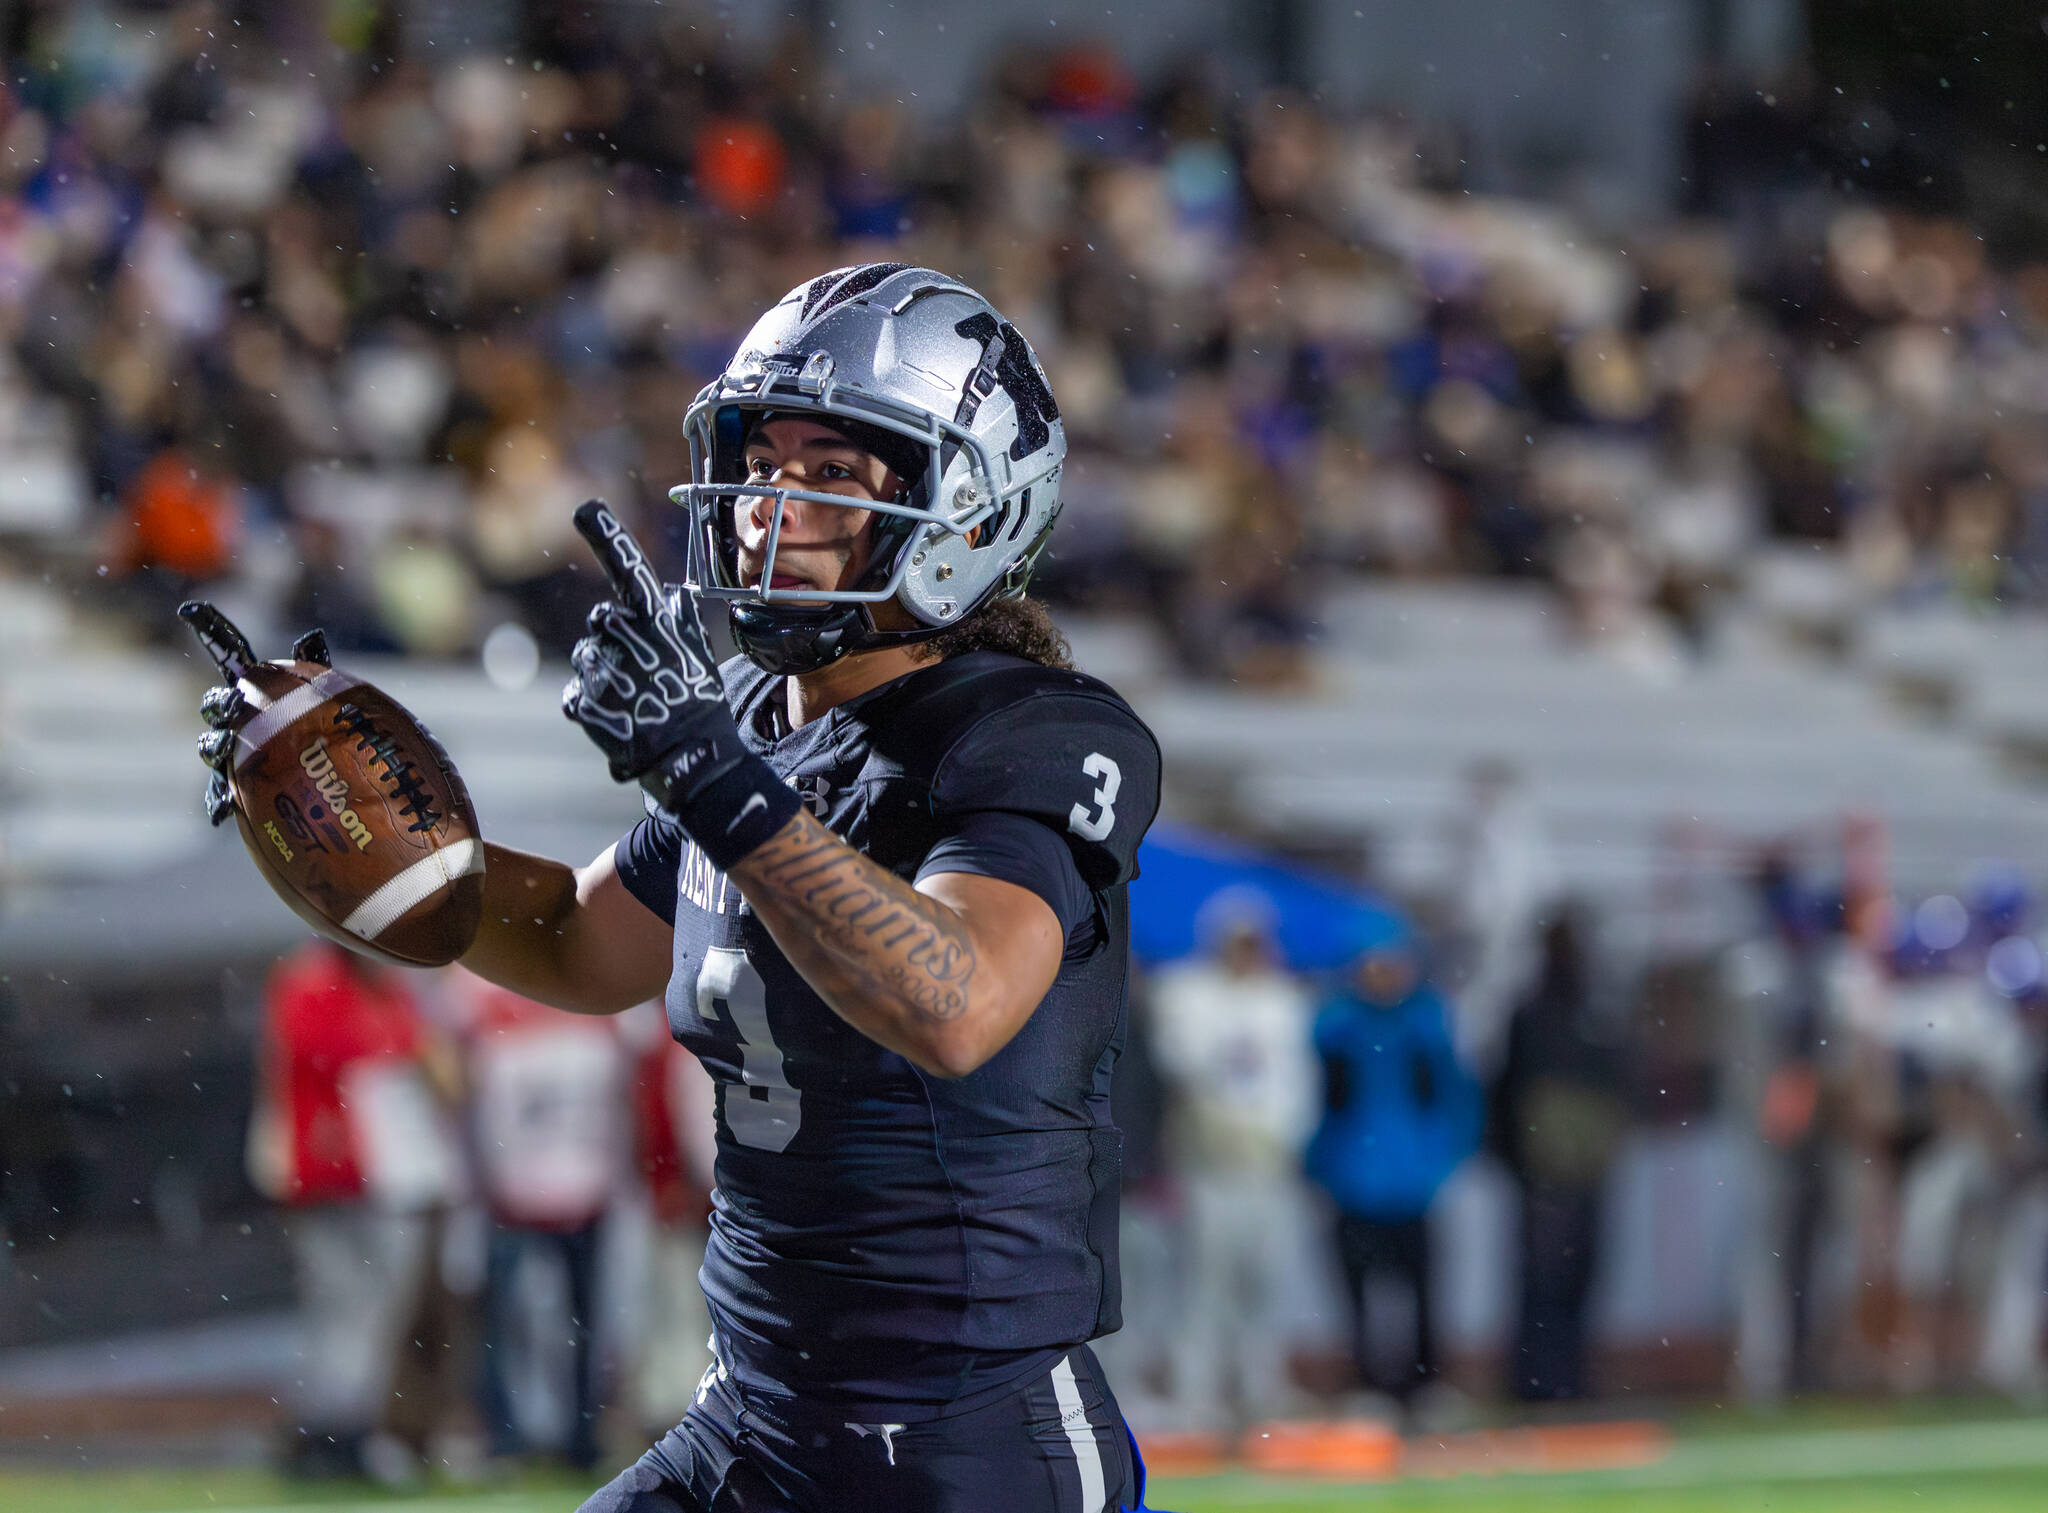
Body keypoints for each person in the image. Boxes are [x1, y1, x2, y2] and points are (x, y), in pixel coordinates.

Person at [187, 264, 1161, 1512]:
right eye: (764, 462)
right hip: (751, 1422)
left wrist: (708, 770)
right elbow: (574, 942)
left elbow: (955, 1002)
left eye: (834, 477)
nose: (770, 507)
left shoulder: (1030, 731)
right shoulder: (756, 723)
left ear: (966, 509)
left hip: (959, 1446)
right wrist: (365, 846)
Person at [246, 938, 465, 1480]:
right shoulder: (314, 984)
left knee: (374, 1313)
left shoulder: (385, 988)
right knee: (347, 1310)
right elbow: (341, 1049)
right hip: (334, 1175)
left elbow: (435, 1068)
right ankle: (331, 1431)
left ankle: (345, 1429)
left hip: (381, 1177)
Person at [1145, 891, 1319, 1430]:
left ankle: (1259, 1386)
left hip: (1267, 1160)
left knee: (1264, 1280)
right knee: (1203, 1281)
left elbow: (1296, 1082)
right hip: (1209, 1158)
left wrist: (1289, 1137)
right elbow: (1183, 1061)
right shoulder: (1188, 992)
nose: (1248, 952)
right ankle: (1197, 1390)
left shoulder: (1284, 999)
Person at [454, 971, 631, 1471]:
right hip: (517, 1188)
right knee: (511, 1319)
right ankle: (512, 1432)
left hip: (573, 1182)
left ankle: (575, 1431)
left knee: (582, 1320)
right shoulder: (483, 996)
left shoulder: (596, 998)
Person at [1304, 930, 1479, 1413]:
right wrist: (1324, 1165)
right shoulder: (1335, 1026)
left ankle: (1424, 1383)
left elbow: (1455, 1098)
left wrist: (1440, 1161)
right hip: (1352, 1181)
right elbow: (1315, 1101)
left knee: (1421, 1289)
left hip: (1411, 1184)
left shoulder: (1426, 1023)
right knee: (1358, 1291)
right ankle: (1366, 1382)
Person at [1489, 909, 1627, 1402]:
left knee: (1578, 1276)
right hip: (1545, 1171)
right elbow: (1507, 1092)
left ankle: (1569, 1377)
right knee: (1544, 1280)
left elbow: (1620, 1090)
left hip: (1584, 1169)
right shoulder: (1533, 1013)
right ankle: (1536, 1381)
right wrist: (1517, 1161)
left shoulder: (1597, 1012)